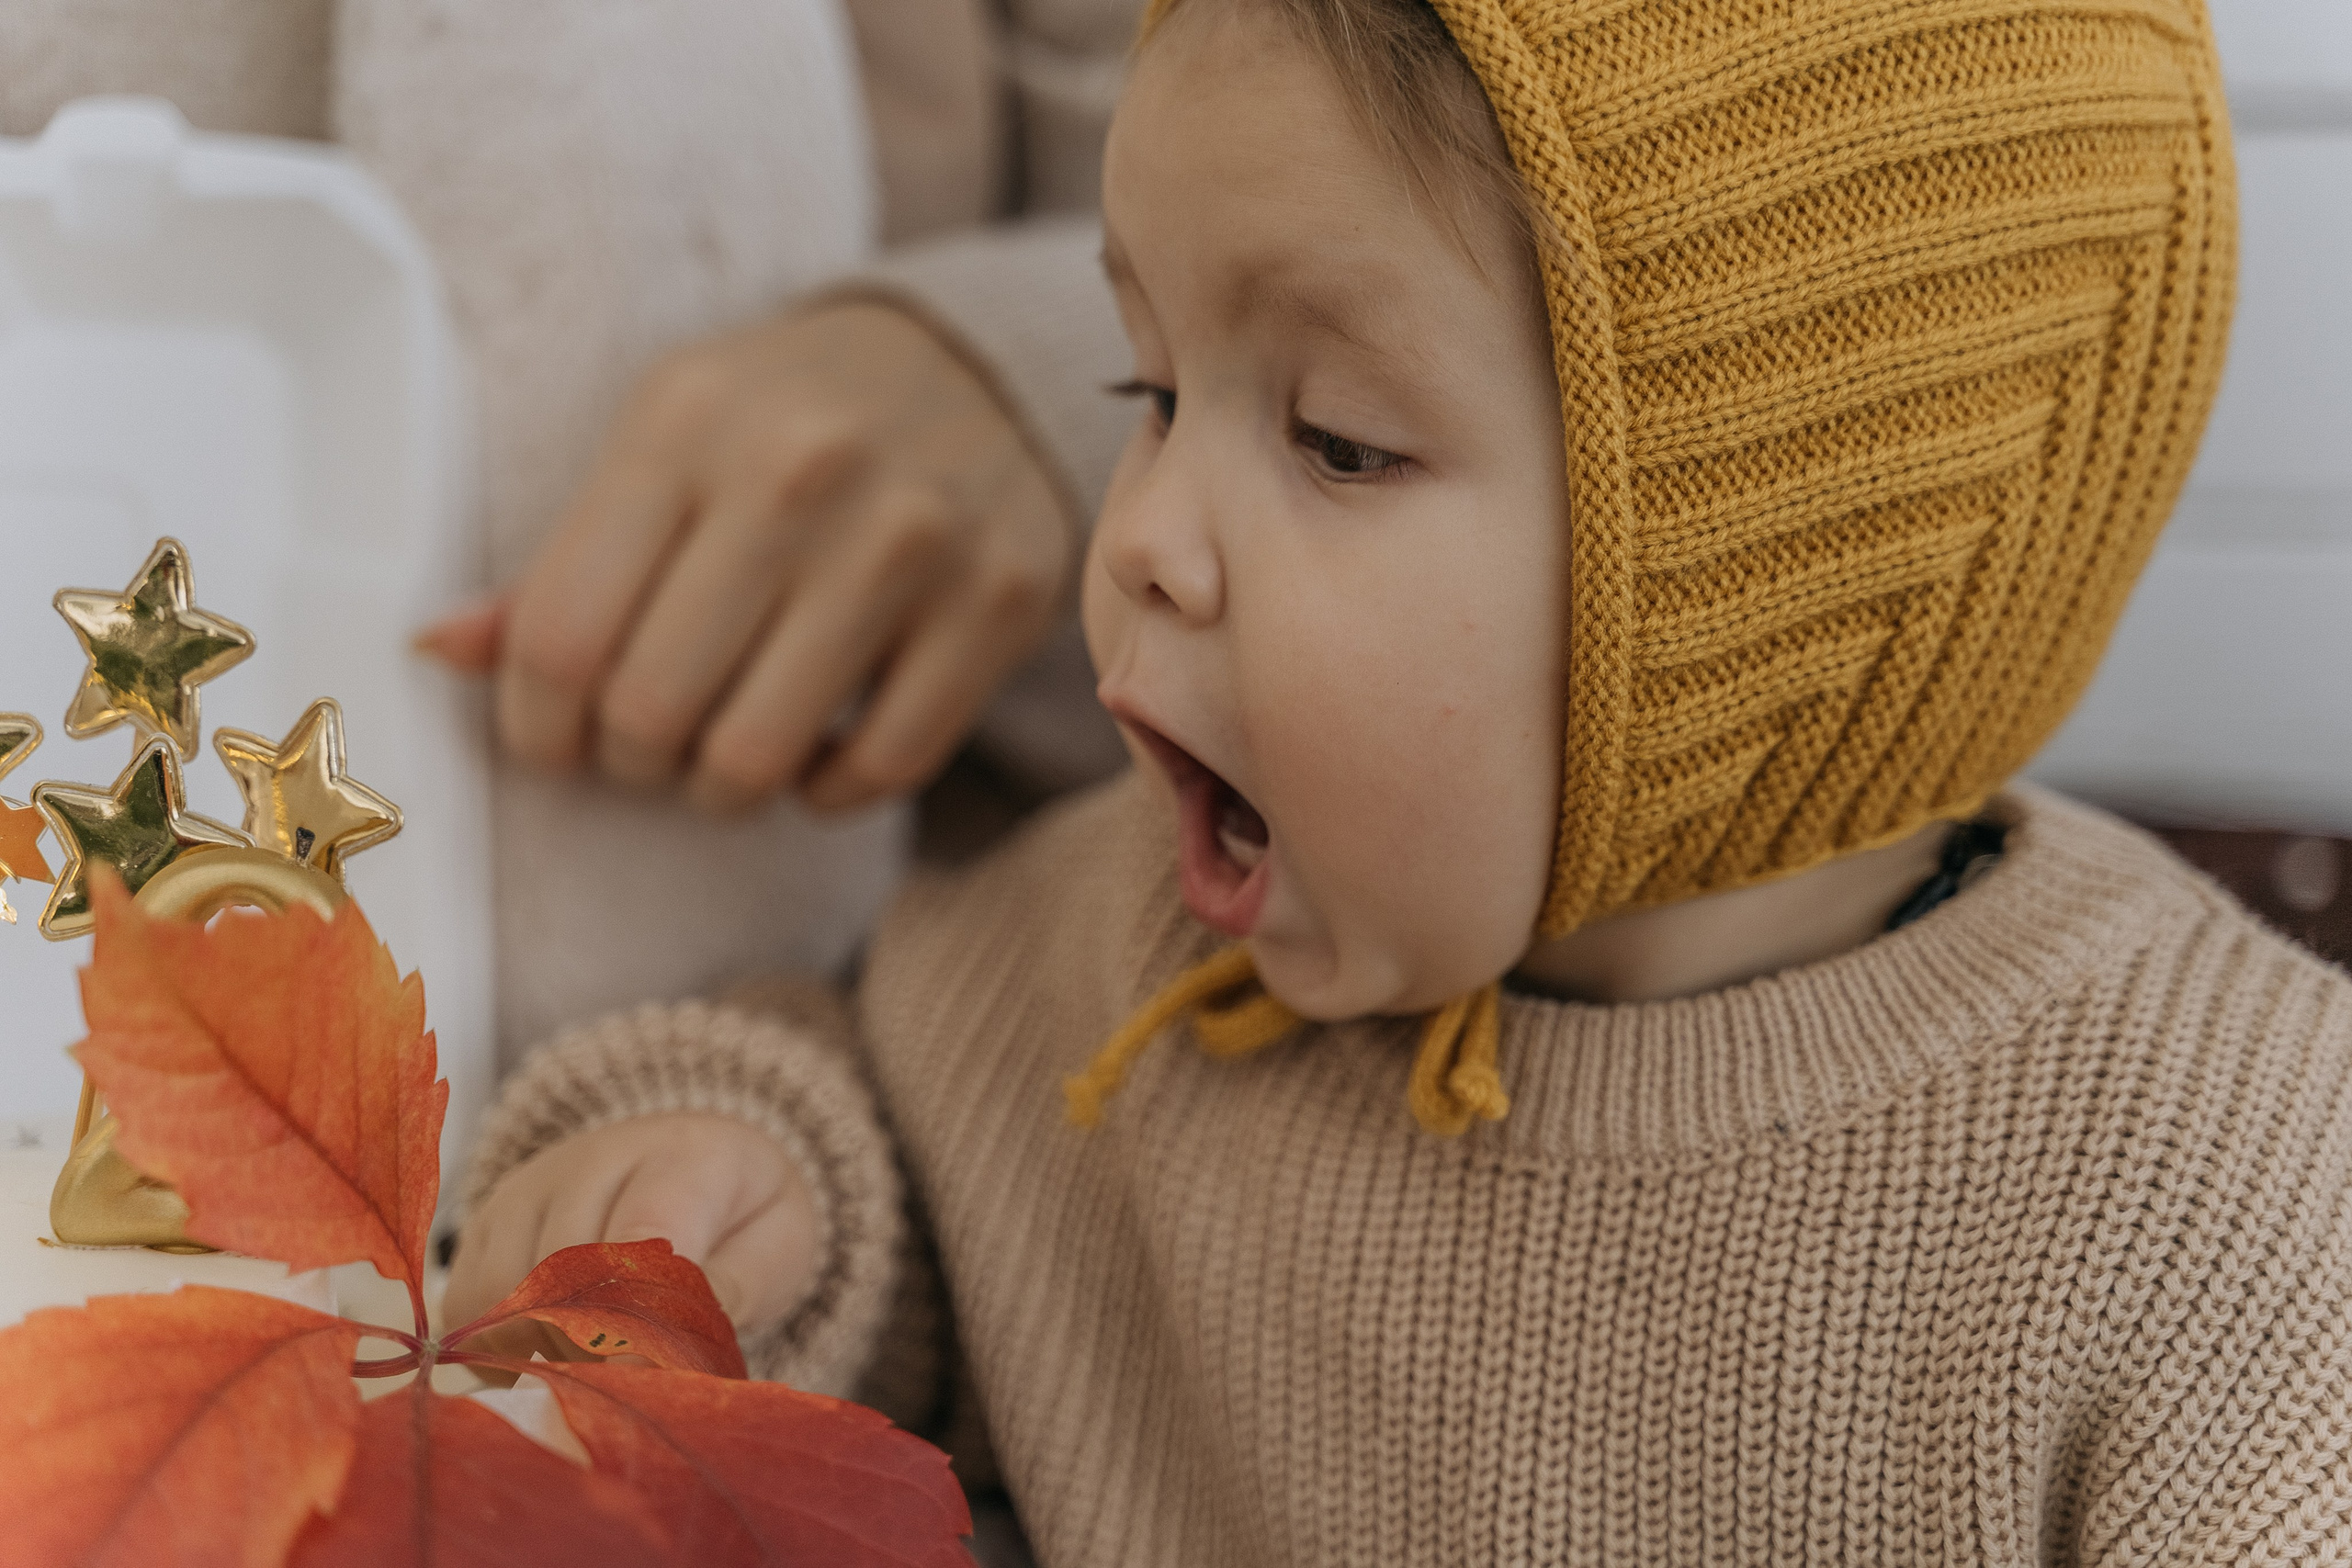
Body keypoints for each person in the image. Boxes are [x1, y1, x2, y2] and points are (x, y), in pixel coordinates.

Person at [447, 0, 2352, 1562]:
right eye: (1151, 393)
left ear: (1771, 574)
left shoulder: (2224, 1189)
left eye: (1340, 443)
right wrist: (744, 1173)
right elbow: (897, 1151)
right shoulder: (1117, 956)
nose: (1141, 540)